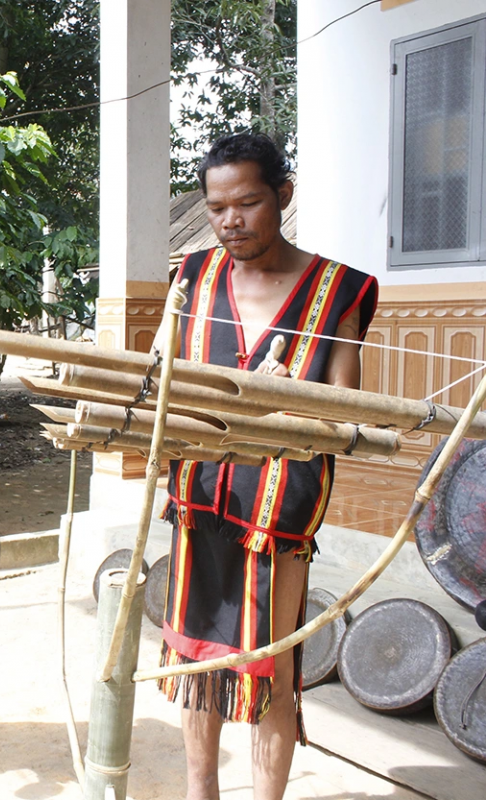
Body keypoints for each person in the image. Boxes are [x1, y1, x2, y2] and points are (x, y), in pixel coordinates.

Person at [156, 133, 378, 800]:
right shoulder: (190, 277)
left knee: (270, 667)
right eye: (217, 206)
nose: (230, 221)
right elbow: (165, 385)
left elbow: (340, 419)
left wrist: (276, 409)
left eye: (248, 202)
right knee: (197, 657)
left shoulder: (337, 290)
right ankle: (202, 792)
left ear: (283, 194)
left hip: (278, 518)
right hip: (198, 502)